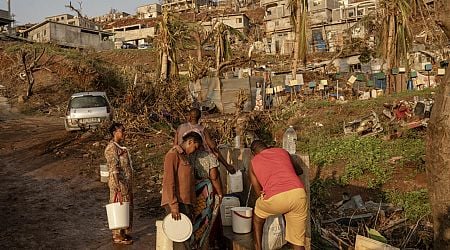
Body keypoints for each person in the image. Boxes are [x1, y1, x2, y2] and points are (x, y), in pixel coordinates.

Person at [249, 140, 307, 250]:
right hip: (298, 194)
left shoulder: (253, 162)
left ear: (253, 152)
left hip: (276, 198)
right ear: (267, 147)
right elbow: (299, 170)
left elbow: (258, 192)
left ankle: (258, 247)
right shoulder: (282, 151)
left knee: (257, 217)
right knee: (298, 241)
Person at [161, 131, 203, 250]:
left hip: (185, 202)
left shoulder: (185, 156)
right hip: (177, 202)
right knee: (181, 238)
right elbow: (169, 182)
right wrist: (174, 206)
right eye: (195, 146)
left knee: (186, 237)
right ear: (190, 142)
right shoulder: (173, 155)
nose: (196, 150)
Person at [174, 108, 236, 174]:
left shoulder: (180, 127)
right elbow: (212, 147)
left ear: (189, 116)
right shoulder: (202, 129)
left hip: (181, 158)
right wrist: (227, 165)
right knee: (213, 168)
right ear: (199, 117)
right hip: (197, 161)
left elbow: (175, 145)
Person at [104, 122, 134, 245]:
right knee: (119, 206)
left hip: (126, 184)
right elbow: (113, 168)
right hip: (119, 184)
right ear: (114, 133)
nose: (124, 133)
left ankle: (124, 232)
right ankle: (117, 234)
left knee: (126, 208)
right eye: (121, 131)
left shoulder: (121, 147)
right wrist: (117, 186)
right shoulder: (112, 148)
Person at [188, 149, 224, 249]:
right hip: (205, 191)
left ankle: (193, 243)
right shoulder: (209, 156)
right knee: (206, 218)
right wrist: (220, 194)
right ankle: (202, 244)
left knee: (194, 218)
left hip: (191, 190)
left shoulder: (188, 155)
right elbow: (214, 177)